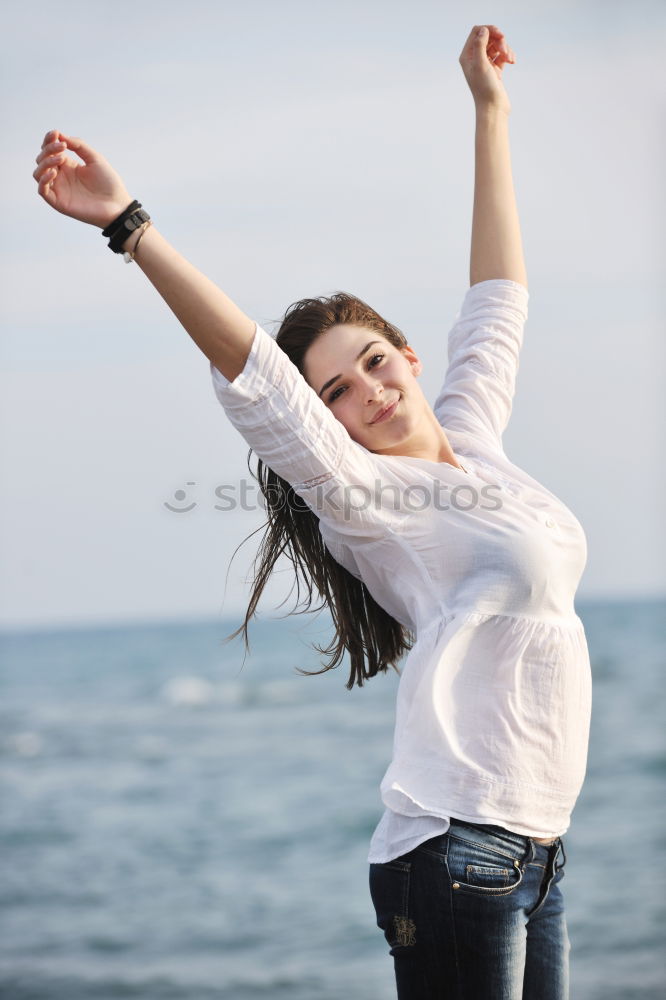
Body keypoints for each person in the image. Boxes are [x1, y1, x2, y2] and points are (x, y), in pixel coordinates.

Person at [33, 23, 590, 1000]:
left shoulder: (477, 437)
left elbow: (500, 293)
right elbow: (255, 372)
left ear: (409, 359)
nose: (367, 389)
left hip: (535, 851)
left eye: (374, 362)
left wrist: (490, 110)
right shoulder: (367, 500)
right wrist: (130, 227)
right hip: (456, 849)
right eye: (336, 391)